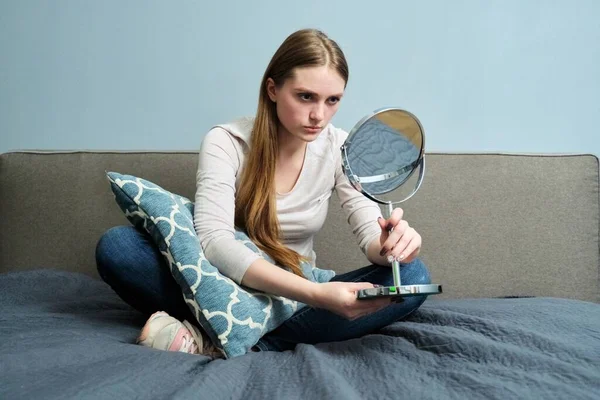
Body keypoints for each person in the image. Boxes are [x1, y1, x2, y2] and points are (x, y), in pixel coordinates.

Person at [95, 28, 431, 358]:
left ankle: (234, 340)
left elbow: (370, 236)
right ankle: (254, 337)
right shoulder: (226, 142)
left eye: (333, 101)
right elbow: (215, 242)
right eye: (305, 96)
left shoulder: (338, 147)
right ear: (272, 89)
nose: (319, 115)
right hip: (227, 286)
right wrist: (316, 295)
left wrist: (393, 246)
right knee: (118, 247)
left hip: (294, 295)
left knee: (413, 276)